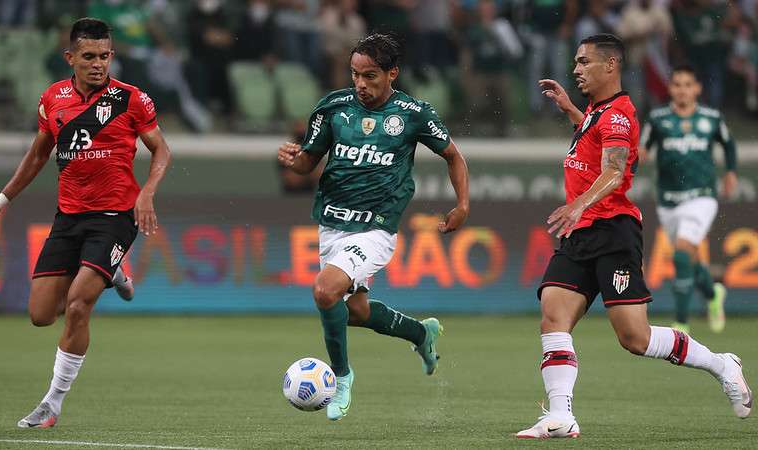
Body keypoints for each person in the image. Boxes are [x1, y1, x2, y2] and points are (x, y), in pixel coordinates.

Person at [516, 34, 751, 439]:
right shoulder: (596, 110)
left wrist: (578, 204)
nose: (576, 70)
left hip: (612, 231)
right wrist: (572, 110)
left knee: (634, 338)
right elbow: (594, 139)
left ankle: (721, 363)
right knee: (553, 314)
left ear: (610, 66)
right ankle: (560, 416)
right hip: (582, 233)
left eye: (584, 61)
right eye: (575, 62)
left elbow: (614, 171)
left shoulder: (620, 114)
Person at [0, 17, 170, 428]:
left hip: (115, 216)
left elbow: (162, 151)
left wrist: (147, 191)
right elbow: (38, 154)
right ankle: (113, 272)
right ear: (70, 57)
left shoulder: (132, 100)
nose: (98, 64)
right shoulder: (52, 99)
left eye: (105, 56)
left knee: (77, 306)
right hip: (69, 216)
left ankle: (51, 404)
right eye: (89, 56)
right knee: (41, 314)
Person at [277, 33, 469, 421]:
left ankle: (341, 377)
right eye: (355, 75)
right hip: (332, 225)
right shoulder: (332, 108)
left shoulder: (414, 113)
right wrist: (293, 158)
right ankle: (419, 333)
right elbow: (307, 164)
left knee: (324, 292)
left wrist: (462, 205)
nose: (360, 84)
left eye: (370, 76)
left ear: (391, 74)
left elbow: (453, 156)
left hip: (377, 228)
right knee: (357, 311)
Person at [640, 66, 737, 335]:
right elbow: (643, 148)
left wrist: (730, 172)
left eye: (687, 84)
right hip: (668, 200)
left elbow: (728, 145)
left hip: (702, 196)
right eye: (677, 85)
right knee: (688, 259)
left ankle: (681, 323)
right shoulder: (658, 119)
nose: (682, 90)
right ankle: (712, 292)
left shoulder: (711, 118)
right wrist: (638, 156)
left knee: (682, 252)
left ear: (697, 89)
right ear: (670, 89)